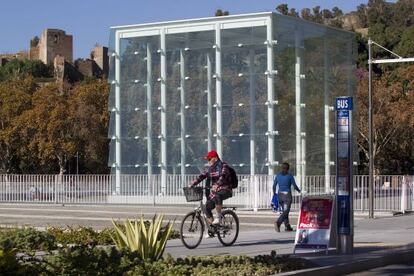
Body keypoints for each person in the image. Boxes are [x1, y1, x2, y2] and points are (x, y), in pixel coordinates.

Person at [190, 150, 232, 225]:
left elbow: (223, 176)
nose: (208, 161)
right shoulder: (210, 169)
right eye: (207, 160)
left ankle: (218, 217)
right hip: (215, 191)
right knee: (207, 207)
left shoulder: (223, 165)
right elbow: (202, 176)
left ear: (215, 158)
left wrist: (217, 185)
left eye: (209, 159)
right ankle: (212, 229)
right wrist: (192, 184)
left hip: (225, 189)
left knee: (217, 195)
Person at [273, 162, 301, 232]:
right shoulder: (289, 176)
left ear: (282, 168)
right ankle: (278, 222)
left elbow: (274, 186)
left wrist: (274, 194)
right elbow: (294, 186)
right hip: (287, 196)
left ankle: (287, 226)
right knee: (286, 211)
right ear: (288, 168)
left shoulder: (278, 176)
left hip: (280, 195)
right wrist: (299, 190)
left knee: (285, 211)